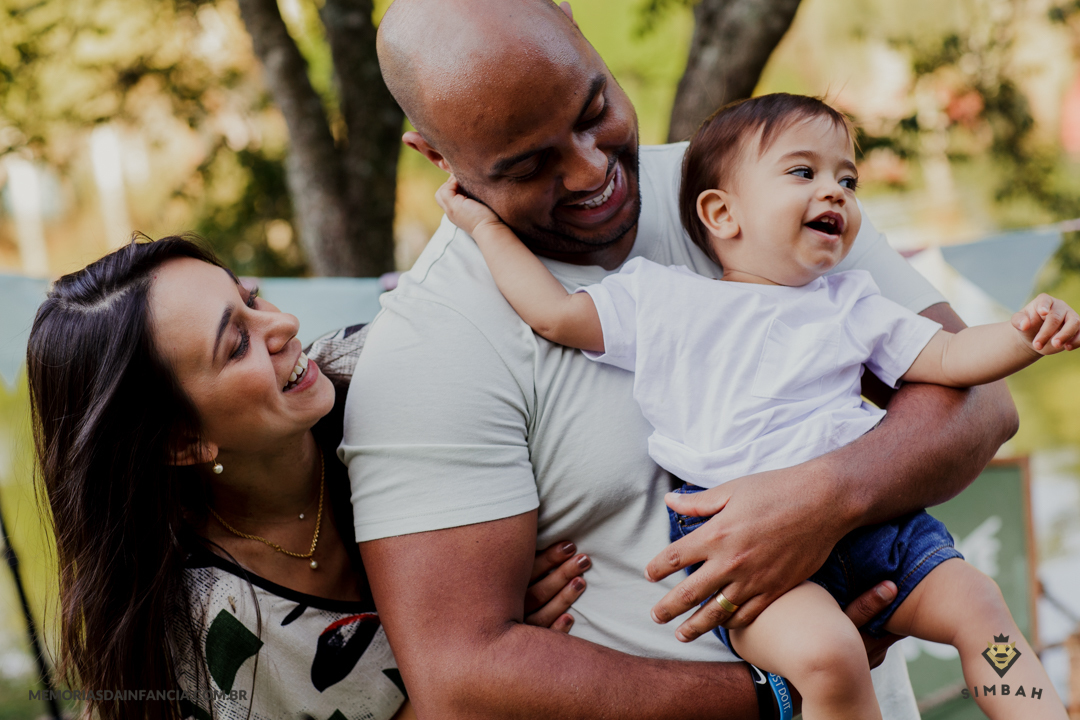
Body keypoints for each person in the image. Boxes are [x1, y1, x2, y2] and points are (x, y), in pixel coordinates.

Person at [343, 1, 1019, 718]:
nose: (590, 169)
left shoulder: (755, 188)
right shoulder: (428, 347)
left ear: (578, 27)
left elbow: (981, 402)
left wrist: (823, 498)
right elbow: (458, 673)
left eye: (592, 109)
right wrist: (776, 693)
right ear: (436, 158)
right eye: (530, 164)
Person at [27, 236, 590, 720]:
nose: (284, 324)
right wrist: (483, 656)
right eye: (238, 342)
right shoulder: (200, 634)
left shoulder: (392, 368)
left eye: (250, 298)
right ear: (181, 441)